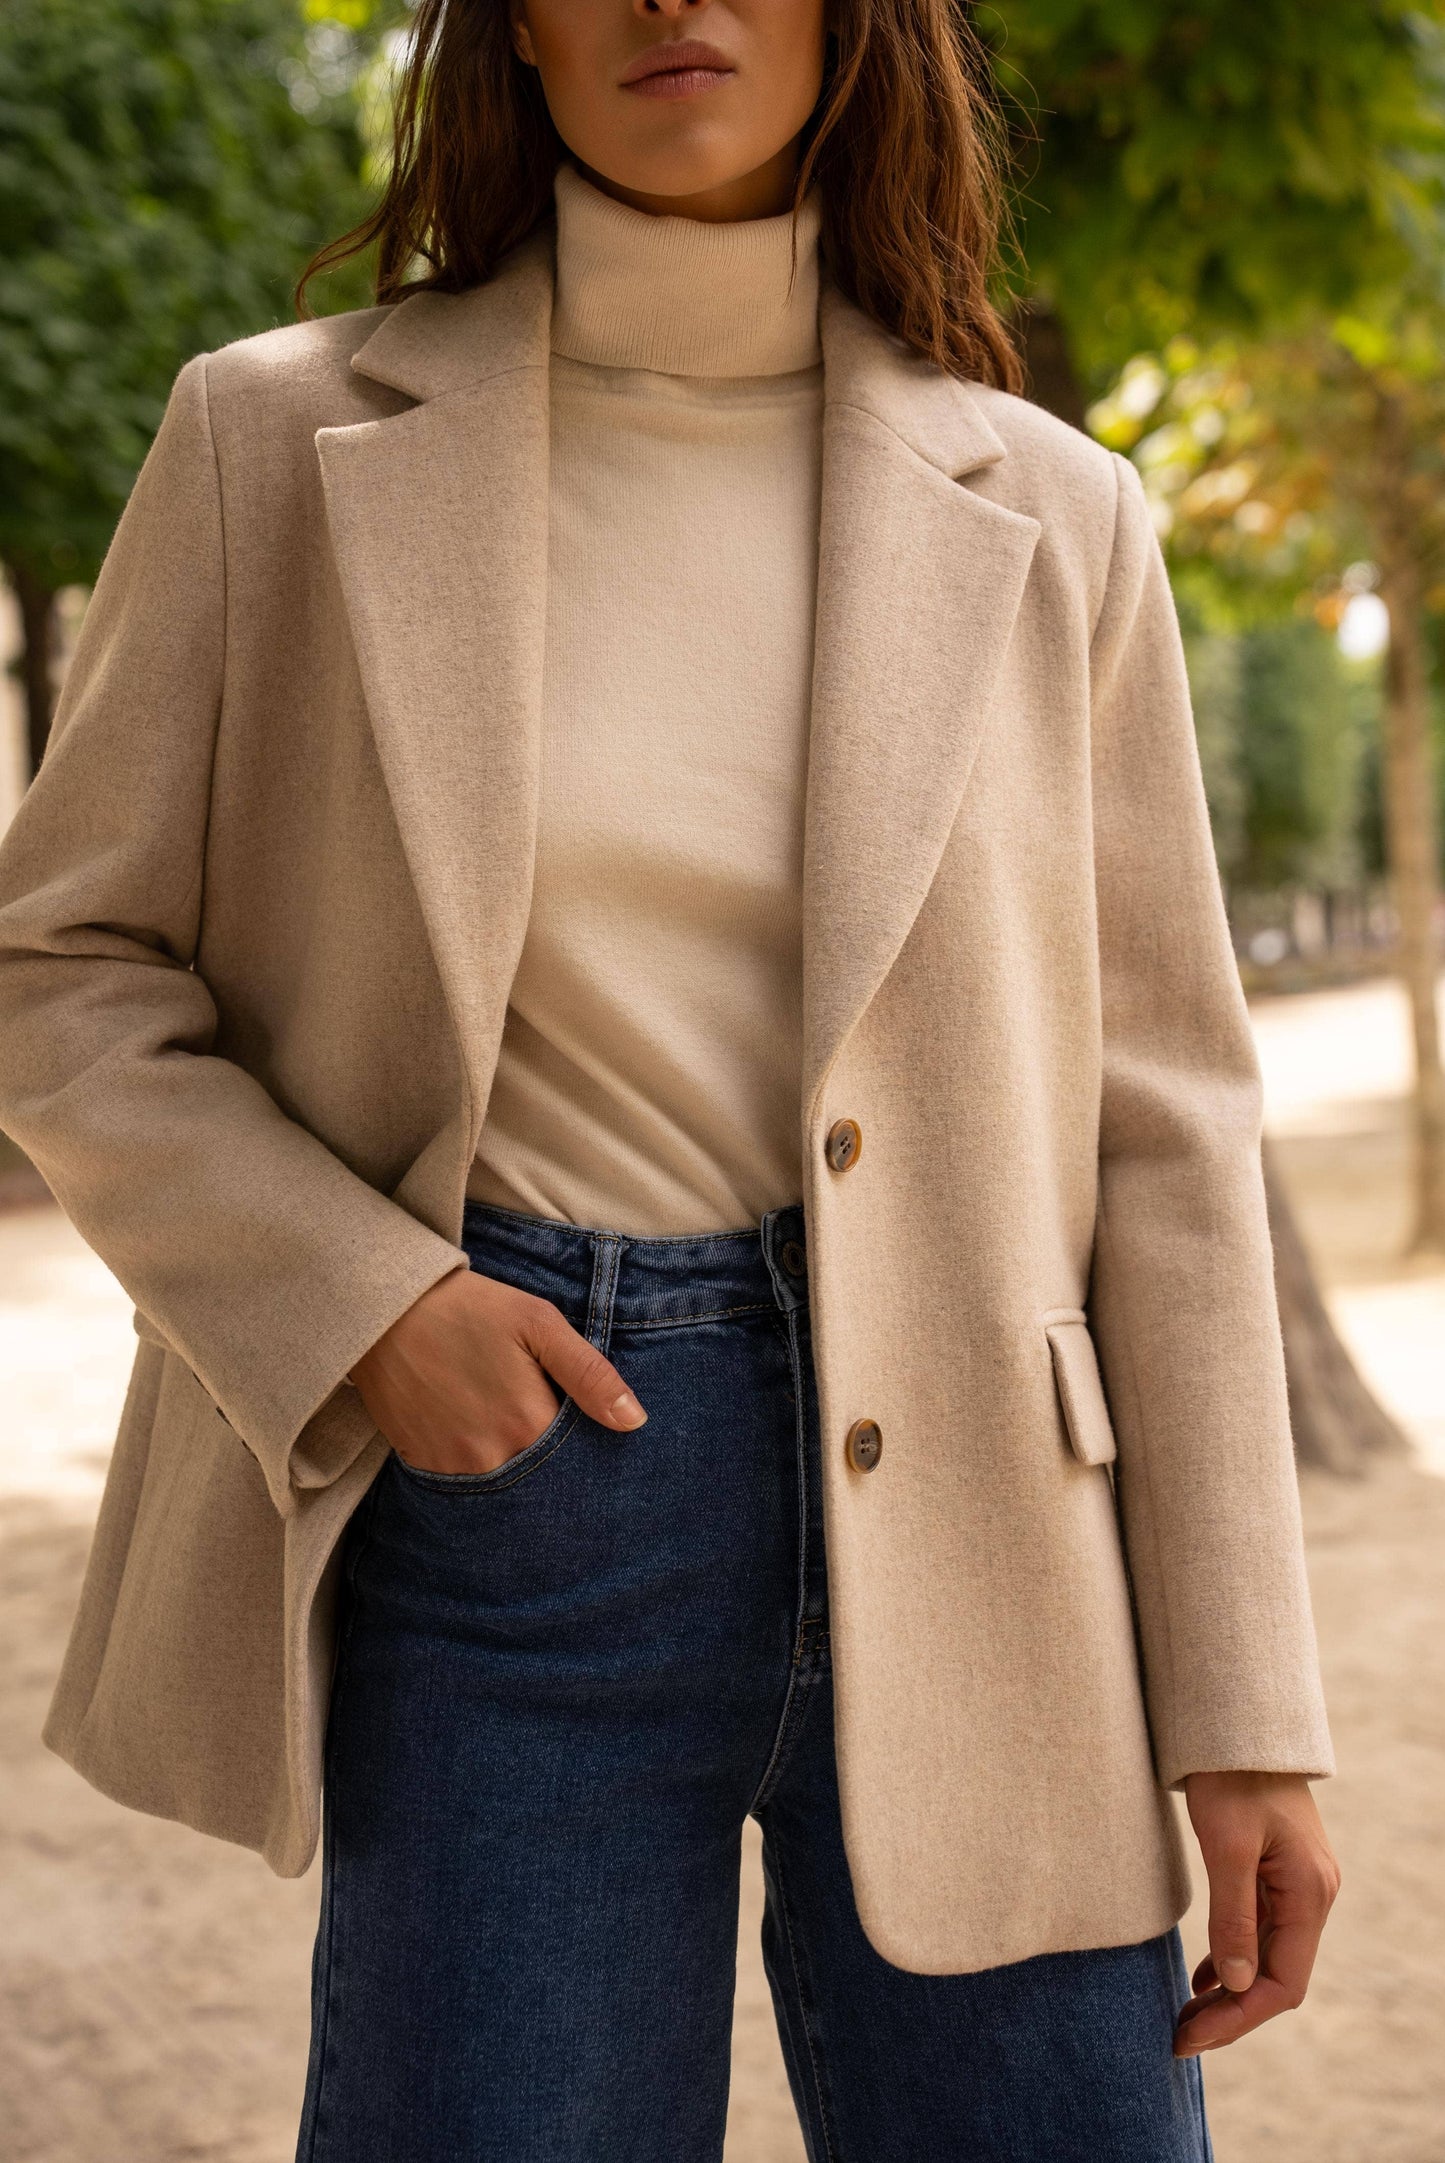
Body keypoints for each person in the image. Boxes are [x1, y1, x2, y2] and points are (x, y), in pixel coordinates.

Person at [0, 2, 1341, 2157]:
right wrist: (356, 1303)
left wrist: (1251, 1714)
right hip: (510, 1488)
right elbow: (55, 965)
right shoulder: (269, 441)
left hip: (1002, 1513)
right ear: (516, 24)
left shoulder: (1063, 517)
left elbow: (1163, 1132)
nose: (674, 5)